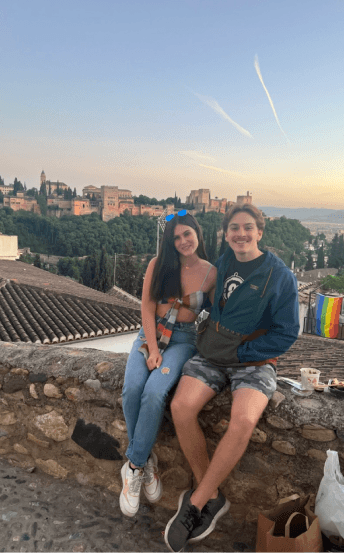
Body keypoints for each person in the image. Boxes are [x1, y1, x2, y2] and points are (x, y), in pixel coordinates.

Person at [164, 204, 300, 553]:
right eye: (234, 228)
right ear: (225, 234)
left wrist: (242, 354)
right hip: (212, 351)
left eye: (248, 228)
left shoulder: (280, 276)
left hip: (252, 360)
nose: (241, 234)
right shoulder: (223, 261)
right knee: (180, 407)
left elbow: (286, 333)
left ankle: (195, 503)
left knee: (242, 421)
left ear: (260, 232)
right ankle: (213, 494)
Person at [120, 210, 216, 517]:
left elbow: (218, 316)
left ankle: (133, 465)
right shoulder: (157, 265)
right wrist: (150, 349)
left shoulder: (210, 273)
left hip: (183, 340)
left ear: (197, 234)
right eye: (176, 238)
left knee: (155, 392)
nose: (183, 241)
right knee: (133, 387)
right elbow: (147, 307)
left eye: (187, 234)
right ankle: (146, 463)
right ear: (170, 242)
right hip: (150, 334)